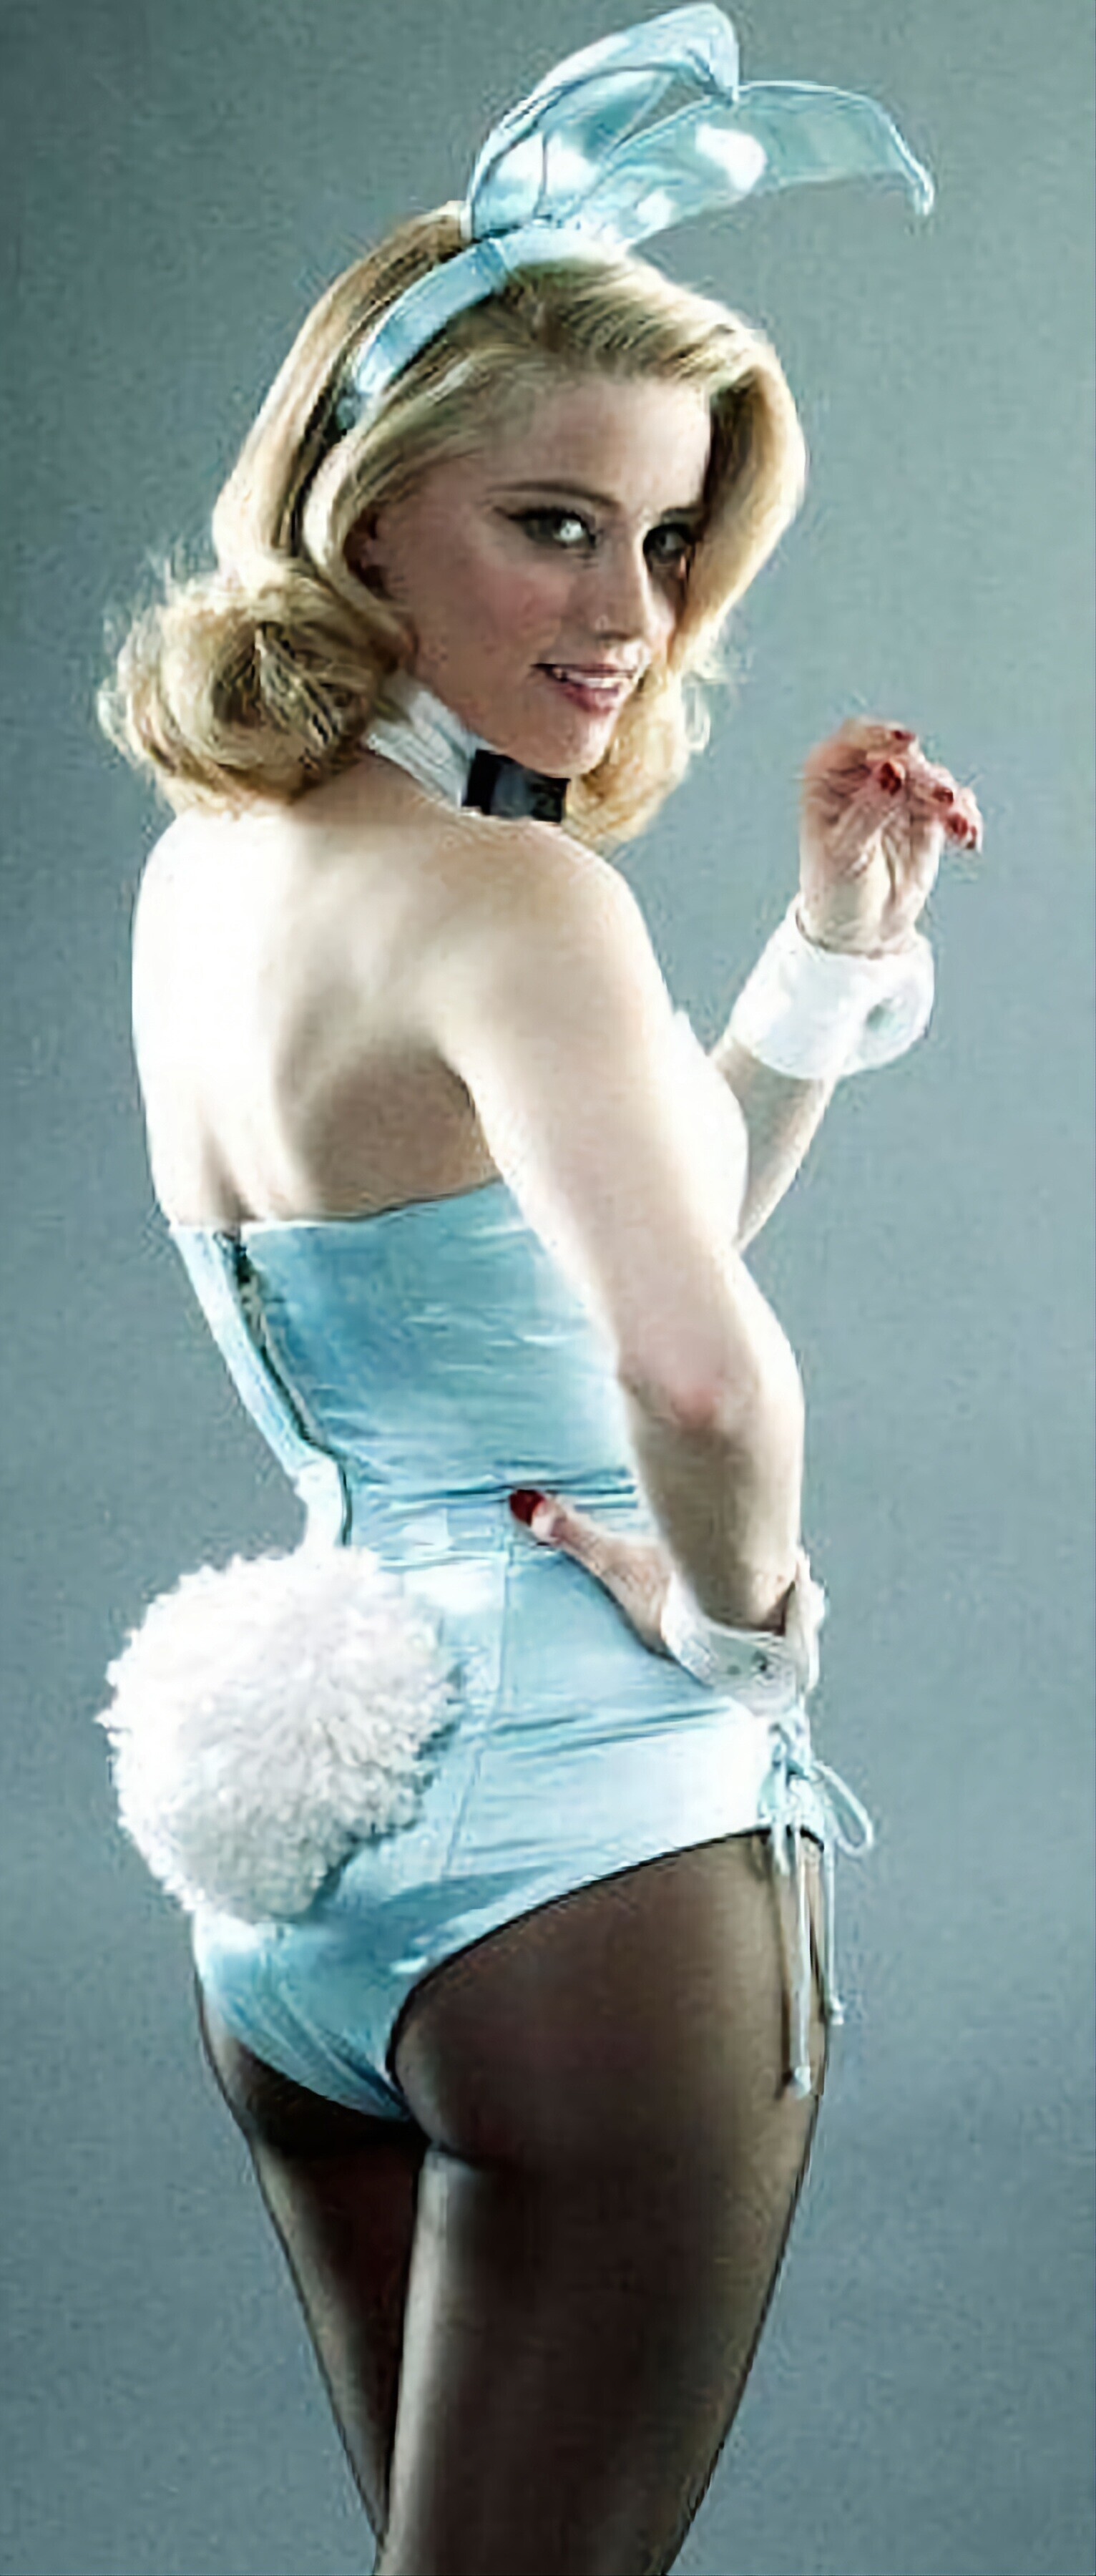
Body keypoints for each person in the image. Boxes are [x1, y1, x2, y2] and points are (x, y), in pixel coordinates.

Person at [97, 14, 982, 2572]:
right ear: (366, 515)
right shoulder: (515, 898)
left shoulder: (219, 868)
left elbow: (577, 1270)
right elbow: (687, 1369)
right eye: (553, 524)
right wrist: (747, 1630)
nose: (627, 614)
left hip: (299, 1887)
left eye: (668, 539)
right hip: (584, 1866)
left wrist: (826, 957)